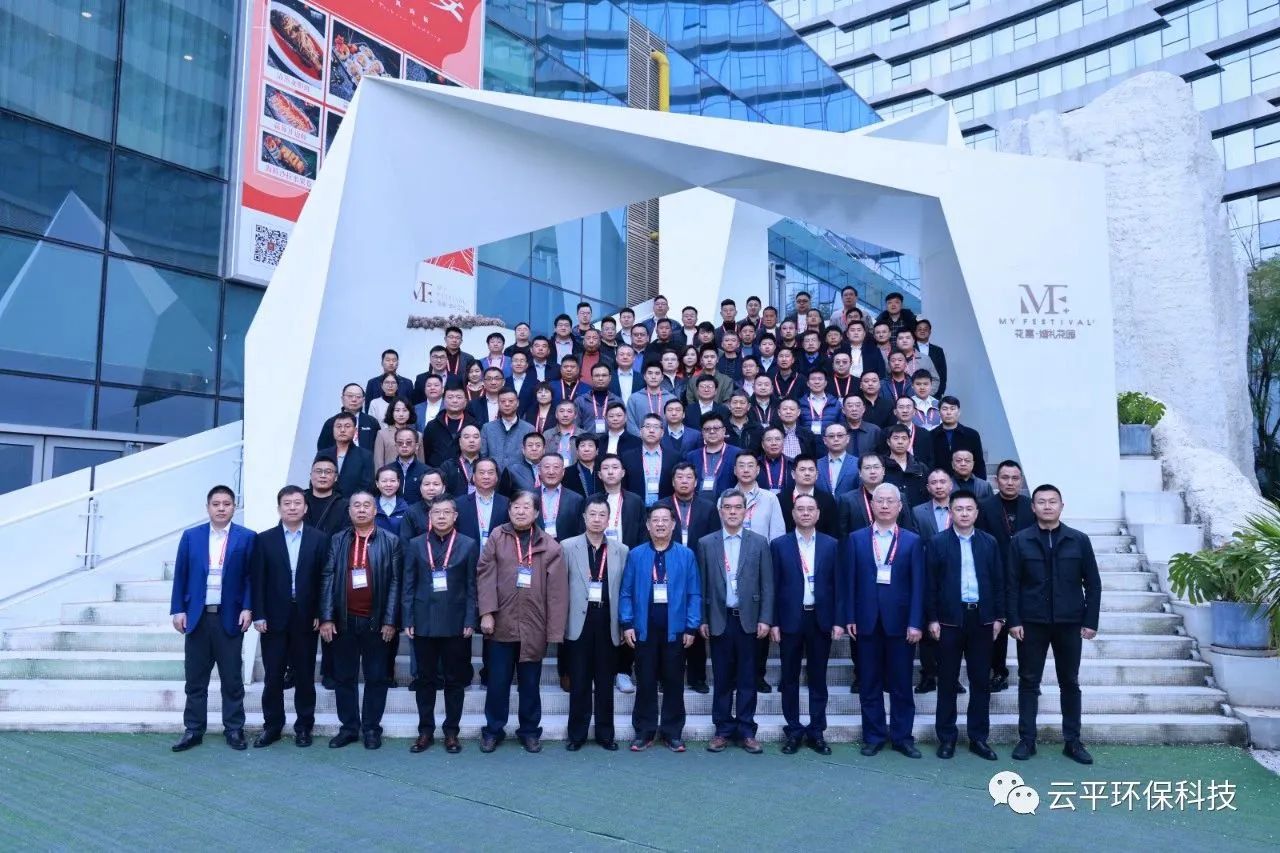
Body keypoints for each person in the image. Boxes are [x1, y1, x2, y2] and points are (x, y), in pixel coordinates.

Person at [1007, 484, 1102, 766]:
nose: (1047, 506)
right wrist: (1014, 620)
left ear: (1062, 506)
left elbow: (1093, 584)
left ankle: (1073, 741)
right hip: (1031, 623)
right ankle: (1027, 740)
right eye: (1041, 502)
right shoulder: (1020, 541)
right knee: (1028, 681)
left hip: (1069, 622)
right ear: (1033, 507)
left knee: (1069, 682)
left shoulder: (1079, 540)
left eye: (1052, 502)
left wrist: (1090, 621)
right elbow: (1011, 584)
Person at [477, 491, 569, 753]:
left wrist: (554, 631)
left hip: (533, 627)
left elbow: (557, 592)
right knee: (497, 683)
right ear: (509, 510)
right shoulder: (497, 536)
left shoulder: (550, 546)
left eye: (526, 507)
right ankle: (493, 730)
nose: (520, 511)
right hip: (501, 624)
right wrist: (486, 612)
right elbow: (484, 575)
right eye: (516, 506)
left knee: (530, 685)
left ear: (537, 513)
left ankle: (529, 731)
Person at [169, 485, 254, 752]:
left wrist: (248, 607)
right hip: (197, 618)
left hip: (230, 618)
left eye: (226, 504)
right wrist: (178, 609)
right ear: (207, 507)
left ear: (234, 507)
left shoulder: (246, 537)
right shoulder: (191, 536)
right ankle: (193, 730)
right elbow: (181, 575)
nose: (221, 508)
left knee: (232, 679)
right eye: (216, 504)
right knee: (195, 679)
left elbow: (251, 577)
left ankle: (234, 729)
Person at [845, 484, 925, 759]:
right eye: (880, 500)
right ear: (872, 504)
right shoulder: (856, 539)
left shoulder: (912, 541)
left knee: (901, 684)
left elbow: (919, 585)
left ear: (900, 507)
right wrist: (850, 616)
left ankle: (903, 737)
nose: (885, 505)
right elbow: (850, 580)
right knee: (869, 683)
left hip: (901, 624)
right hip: (866, 621)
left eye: (891, 501)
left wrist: (916, 622)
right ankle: (874, 736)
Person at [319, 490, 402, 749]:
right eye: (357, 505)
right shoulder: (338, 540)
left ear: (375, 510)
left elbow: (395, 583)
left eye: (367, 505)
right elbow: (328, 577)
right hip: (344, 621)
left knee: (376, 678)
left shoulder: (391, 541)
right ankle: (349, 728)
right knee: (344, 677)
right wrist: (326, 617)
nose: (362, 509)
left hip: (376, 623)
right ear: (350, 511)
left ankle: (372, 729)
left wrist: (390, 620)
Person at [926, 490, 1003, 761]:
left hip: (981, 619)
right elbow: (930, 584)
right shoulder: (937, 542)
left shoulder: (989, 542)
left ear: (976, 513)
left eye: (969, 509)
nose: (964, 513)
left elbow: (998, 581)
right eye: (959, 509)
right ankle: (947, 738)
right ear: (951, 512)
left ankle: (978, 738)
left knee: (980, 681)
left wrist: (999, 617)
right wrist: (932, 618)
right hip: (949, 620)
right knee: (947, 681)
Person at [251, 485, 328, 748]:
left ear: (305, 508)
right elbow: (258, 580)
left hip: (307, 617)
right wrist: (259, 614)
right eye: (287, 503)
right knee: (273, 675)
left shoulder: (319, 538)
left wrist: (321, 612)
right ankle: (272, 726)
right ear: (279, 508)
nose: (292, 507)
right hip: (273, 618)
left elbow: (324, 580)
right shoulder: (264, 539)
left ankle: (304, 727)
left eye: (297, 503)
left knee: (305, 675)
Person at [620, 504, 701, 752]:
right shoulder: (636, 555)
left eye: (665, 520)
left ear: (674, 525)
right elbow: (626, 592)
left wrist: (691, 626)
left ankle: (672, 732)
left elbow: (694, 593)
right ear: (648, 525)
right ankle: (644, 731)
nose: (660, 524)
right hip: (644, 629)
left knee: (674, 682)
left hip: (675, 630)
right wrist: (627, 623)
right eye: (655, 520)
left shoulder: (686, 555)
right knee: (645, 681)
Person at [699, 489, 774, 754]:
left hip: (750, 621)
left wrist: (766, 618)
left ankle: (746, 730)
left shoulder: (759, 542)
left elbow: (767, 584)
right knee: (722, 678)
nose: (732, 512)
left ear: (745, 511)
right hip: (719, 620)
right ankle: (722, 730)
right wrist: (703, 619)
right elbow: (701, 585)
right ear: (720, 511)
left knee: (747, 679)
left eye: (737, 507)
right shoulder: (706, 543)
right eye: (727, 507)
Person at [402, 495, 477, 754]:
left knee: (455, 681)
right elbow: (408, 584)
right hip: (423, 621)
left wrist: (470, 619)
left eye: (446, 512)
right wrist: (407, 618)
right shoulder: (416, 544)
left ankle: (451, 732)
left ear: (455, 516)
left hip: (456, 623)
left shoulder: (468, 544)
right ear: (429, 517)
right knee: (425, 680)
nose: (441, 517)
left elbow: (472, 586)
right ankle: (425, 731)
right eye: (437, 512)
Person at [771, 494, 842, 755]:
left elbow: (839, 586)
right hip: (790, 618)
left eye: (810, 509)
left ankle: (816, 731)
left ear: (818, 514)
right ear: (792, 514)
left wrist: (838, 620)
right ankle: (793, 730)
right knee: (789, 678)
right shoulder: (779, 545)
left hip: (820, 618)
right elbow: (773, 586)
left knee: (818, 677)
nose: (805, 513)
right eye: (800, 509)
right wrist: (773, 622)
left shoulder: (831, 545)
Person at [562, 497, 629, 751]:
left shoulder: (621, 550)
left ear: (609, 519)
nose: (597, 519)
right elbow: (560, 588)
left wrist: (623, 624)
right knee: (579, 681)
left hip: (607, 621)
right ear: (584, 517)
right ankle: (577, 734)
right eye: (592, 514)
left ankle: (605, 734)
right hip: (578, 620)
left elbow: (624, 591)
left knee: (604, 682)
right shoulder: (568, 547)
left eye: (602, 515)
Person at [978, 459, 1035, 693]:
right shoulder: (984, 507)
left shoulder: (1032, 506)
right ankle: (998, 672)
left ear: (1021, 481)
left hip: (1027, 578)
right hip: (996, 577)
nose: (1010, 482)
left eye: (1015, 478)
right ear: (996, 480)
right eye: (1005, 477)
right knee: (997, 629)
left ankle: (1029, 677)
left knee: (1028, 631)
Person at [622, 414, 678, 505]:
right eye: (647, 426)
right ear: (640, 432)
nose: (651, 430)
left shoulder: (674, 457)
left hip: (665, 508)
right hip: (636, 507)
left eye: (656, 427)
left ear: (662, 433)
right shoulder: (627, 457)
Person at [779, 454, 839, 538]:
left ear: (817, 475)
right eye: (802, 469)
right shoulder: (781, 499)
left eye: (811, 470)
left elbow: (832, 532)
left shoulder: (827, 500)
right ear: (793, 474)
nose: (807, 473)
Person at [593, 453, 645, 549]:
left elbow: (642, 533)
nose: (610, 472)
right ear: (600, 475)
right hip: (598, 553)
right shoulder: (591, 501)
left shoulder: (635, 501)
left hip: (629, 552)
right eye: (605, 468)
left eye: (615, 467)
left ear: (623, 473)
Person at [455, 458, 509, 548]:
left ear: (497, 477)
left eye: (490, 473)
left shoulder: (506, 503)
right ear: (473, 477)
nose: (486, 477)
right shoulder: (460, 503)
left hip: (498, 553)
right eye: (481, 472)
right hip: (468, 553)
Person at [685, 413, 740, 496]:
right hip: (698, 502)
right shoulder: (691, 456)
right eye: (707, 429)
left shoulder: (737, 454)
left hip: (727, 502)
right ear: (702, 432)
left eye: (716, 428)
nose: (712, 431)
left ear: (724, 430)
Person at [479, 390, 534, 473]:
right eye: (503, 401)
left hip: (521, 478)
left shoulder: (529, 429)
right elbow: (483, 456)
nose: (507, 404)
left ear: (517, 403)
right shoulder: (487, 428)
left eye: (511, 401)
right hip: (494, 477)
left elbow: (532, 458)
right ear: (498, 404)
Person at [931, 396, 985, 479]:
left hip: (966, 482)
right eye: (945, 409)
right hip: (940, 482)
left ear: (959, 412)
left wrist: (980, 483)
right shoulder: (931, 435)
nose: (948, 412)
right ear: (939, 412)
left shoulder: (972, 435)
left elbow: (979, 463)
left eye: (952, 409)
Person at [422, 386, 477, 467]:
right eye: (450, 397)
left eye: (459, 397)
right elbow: (426, 452)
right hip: (437, 472)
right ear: (444, 401)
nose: (454, 401)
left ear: (465, 402)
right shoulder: (432, 426)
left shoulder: (474, 425)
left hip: (466, 472)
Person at [317, 384, 380, 451]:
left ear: (363, 400)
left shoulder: (372, 422)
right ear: (342, 398)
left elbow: (379, 447)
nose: (354, 399)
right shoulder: (331, 422)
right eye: (350, 396)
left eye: (358, 397)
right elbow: (322, 448)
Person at [327, 413, 375, 500]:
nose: (342, 430)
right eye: (338, 426)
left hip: (354, 504)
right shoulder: (323, 454)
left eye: (347, 426)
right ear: (333, 429)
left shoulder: (365, 455)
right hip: (327, 503)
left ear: (355, 430)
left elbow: (367, 486)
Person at [883, 423, 929, 507]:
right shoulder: (881, 466)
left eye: (904, 438)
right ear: (888, 442)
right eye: (896, 438)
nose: (900, 442)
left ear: (909, 442)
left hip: (916, 513)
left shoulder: (921, 468)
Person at [304, 453, 350, 536]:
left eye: (328, 472)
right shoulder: (299, 500)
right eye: (318, 471)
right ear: (311, 475)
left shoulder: (344, 506)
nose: (323, 475)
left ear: (336, 477)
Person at [576, 364, 623, 433]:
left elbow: (622, 427)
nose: (600, 378)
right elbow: (575, 427)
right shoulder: (581, 401)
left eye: (604, 375)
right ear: (592, 378)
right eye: (597, 375)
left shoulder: (617, 401)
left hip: (612, 439)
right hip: (587, 439)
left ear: (610, 378)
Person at [440, 424, 484, 498]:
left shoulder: (488, 465)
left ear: (481, 441)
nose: (471, 440)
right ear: (460, 441)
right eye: (467, 437)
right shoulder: (448, 466)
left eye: (476, 437)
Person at [816, 423, 860, 497]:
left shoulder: (858, 463)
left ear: (847, 439)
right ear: (825, 440)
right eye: (831, 436)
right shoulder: (817, 464)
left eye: (840, 435)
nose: (836, 439)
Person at [497, 431, 545, 497]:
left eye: (538, 445)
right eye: (530, 445)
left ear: (544, 450)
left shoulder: (551, 469)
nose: (534, 449)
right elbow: (503, 497)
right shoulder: (511, 471)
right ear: (523, 450)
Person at [373, 465, 409, 540]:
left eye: (392, 481)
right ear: (377, 483)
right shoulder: (370, 507)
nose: (388, 484)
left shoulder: (407, 508)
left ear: (398, 482)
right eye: (384, 481)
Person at [914, 318, 947, 396]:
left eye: (925, 329)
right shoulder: (910, 349)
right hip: (914, 392)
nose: (922, 331)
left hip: (934, 392)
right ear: (915, 332)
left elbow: (943, 373)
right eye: (919, 329)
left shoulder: (938, 350)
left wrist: (940, 392)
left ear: (930, 332)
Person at [756, 427, 793, 495]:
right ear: (763, 445)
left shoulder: (793, 464)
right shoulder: (756, 464)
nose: (774, 443)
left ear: (783, 442)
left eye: (777, 439)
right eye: (769, 440)